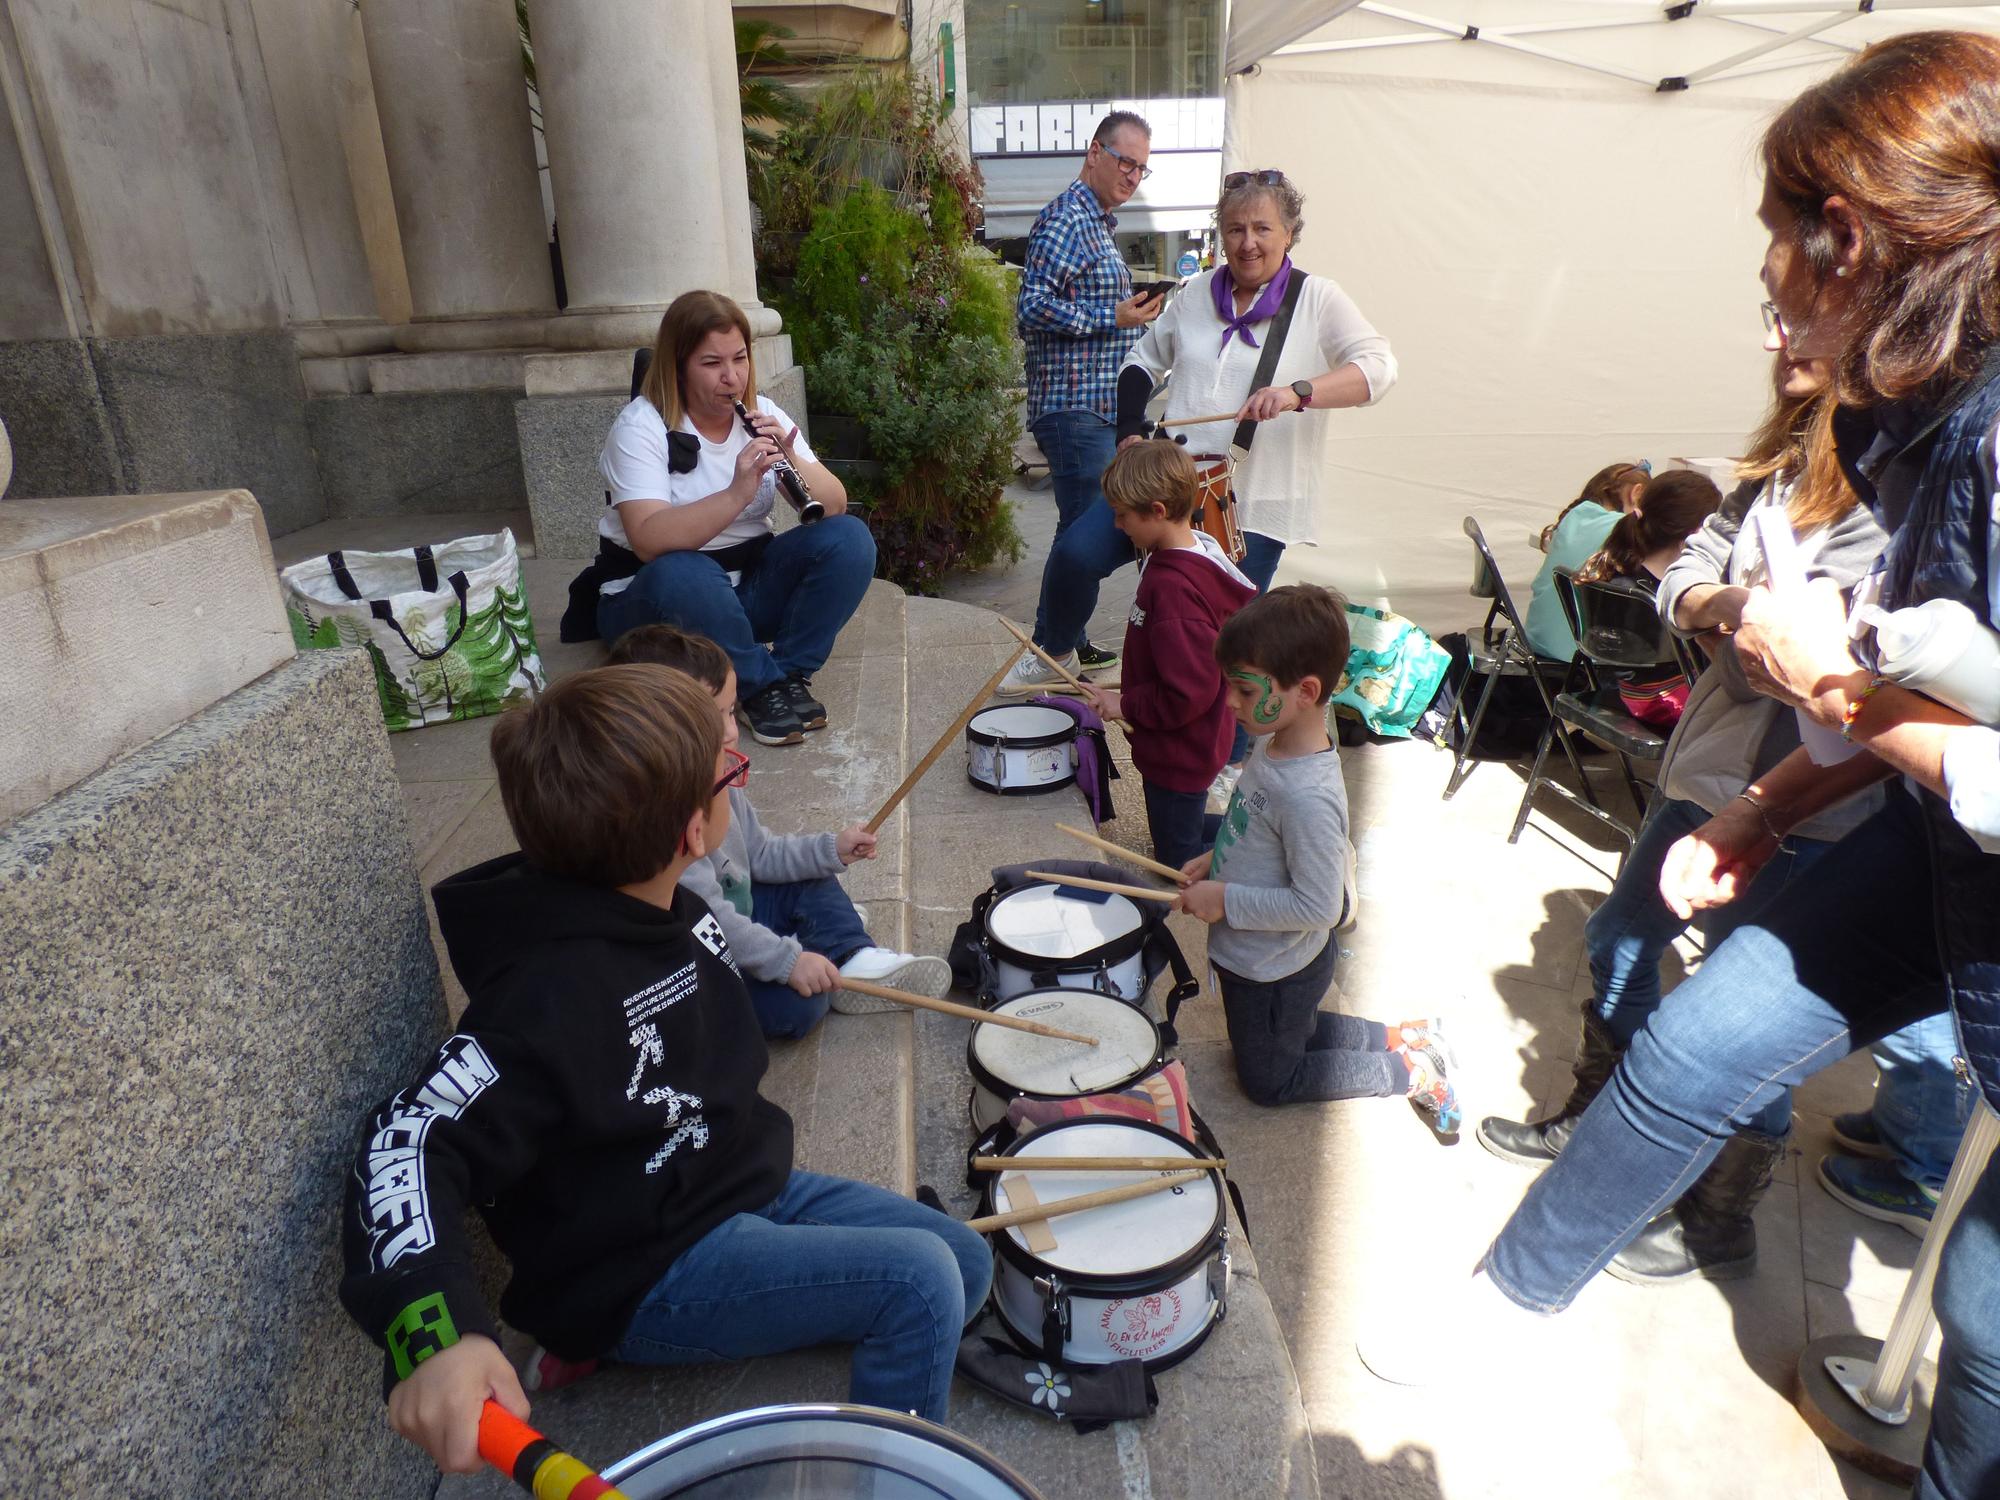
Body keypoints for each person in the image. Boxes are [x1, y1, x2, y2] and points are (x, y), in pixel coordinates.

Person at [1378, 38, 2000, 1499]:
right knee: (1696, 1042)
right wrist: (1771, 798)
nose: (1768, 290)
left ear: (1846, 235)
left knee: (1980, 1320)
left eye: (1776, 242)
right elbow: (1937, 709)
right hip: (1933, 845)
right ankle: (1510, 1297)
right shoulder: (1900, 422)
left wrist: (1820, 685)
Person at [338, 665, 989, 1472]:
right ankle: (899, 1481)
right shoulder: (542, 999)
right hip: (641, 1268)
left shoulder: (678, 911)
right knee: (923, 1283)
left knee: (967, 1262)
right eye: (732, 774)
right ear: (690, 831)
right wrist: (434, 1336)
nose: (738, 774)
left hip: (739, 1186)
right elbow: (402, 1145)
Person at [1476, 347, 1891, 1284]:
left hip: (1807, 808)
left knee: (1744, 1016)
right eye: (1769, 313)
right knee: (1624, 938)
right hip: (1708, 773)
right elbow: (1692, 567)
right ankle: (1599, 1119)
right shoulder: (1786, 462)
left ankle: (1717, 1215)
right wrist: (1723, 600)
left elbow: (1809, 677)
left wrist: (1739, 632)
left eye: (1797, 314)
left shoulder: (1891, 491)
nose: (1777, 337)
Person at [999, 168, 1398, 766]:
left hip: (1256, 500)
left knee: (1234, 644)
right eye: (1235, 228)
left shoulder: (1318, 299)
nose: (1248, 242)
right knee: (1076, 554)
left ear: (1289, 232)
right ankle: (1058, 650)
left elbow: (1378, 370)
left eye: (1263, 227)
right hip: (1167, 487)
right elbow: (1141, 360)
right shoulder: (1195, 295)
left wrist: (1298, 392)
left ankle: (1226, 764)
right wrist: (1131, 430)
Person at [1172, 585, 1458, 1133]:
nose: (1230, 701)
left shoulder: (1307, 795)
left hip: (1275, 967)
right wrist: (1218, 858)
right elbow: (1256, 821)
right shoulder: (1274, 737)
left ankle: (1411, 1074)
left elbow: (1322, 905)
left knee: (1269, 1079)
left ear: (1304, 691)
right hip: (1266, 961)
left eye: (1243, 689)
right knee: (1288, 1032)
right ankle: (1407, 1035)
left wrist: (1226, 900)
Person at [607, 625, 952, 1039]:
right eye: (713, 719)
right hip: (703, 958)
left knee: (812, 878)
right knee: (798, 1007)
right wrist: (786, 962)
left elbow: (763, 853)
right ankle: (816, 943)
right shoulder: (660, 834)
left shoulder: (718, 778)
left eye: (731, 711)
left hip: (739, 911)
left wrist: (831, 849)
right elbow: (713, 924)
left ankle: (854, 955)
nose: (732, 731)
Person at [573, 289, 877, 748]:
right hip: (655, 603)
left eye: (739, 358)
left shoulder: (763, 414)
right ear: (678, 365)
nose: (731, 377)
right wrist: (737, 492)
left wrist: (791, 452)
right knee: (685, 568)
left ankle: (787, 675)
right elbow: (650, 540)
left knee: (850, 540)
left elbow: (834, 503)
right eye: (712, 363)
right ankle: (760, 687)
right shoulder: (641, 427)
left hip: (739, 596)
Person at [1012, 109, 1166, 677]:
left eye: (1142, 169)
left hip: (1096, 406)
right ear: (1093, 153)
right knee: (1089, 533)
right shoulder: (1066, 219)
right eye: (1125, 161)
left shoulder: (1097, 222)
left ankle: (1067, 637)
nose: (1132, 175)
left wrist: (1137, 319)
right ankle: (1048, 650)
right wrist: (1114, 316)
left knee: (1073, 526)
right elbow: (1029, 309)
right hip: (1074, 406)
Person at [1080, 442, 1255, 870]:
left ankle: (1264, 851)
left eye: (1123, 515)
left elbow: (1188, 691)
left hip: (1181, 750)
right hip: (1186, 742)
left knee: (1178, 860)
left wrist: (1124, 703)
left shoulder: (1173, 590)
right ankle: (1257, 837)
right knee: (1180, 831)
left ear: (1157, 511)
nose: (1118, 526)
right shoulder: (1197, 548)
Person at [1571, 468, 1724, 728]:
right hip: (1665, 701)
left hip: (1625, 691)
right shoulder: (1670, 594)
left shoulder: (1617, 566)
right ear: (1699, 531)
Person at [1523, 462, 1650, 661]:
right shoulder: (1622, 526)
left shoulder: (1574, 516)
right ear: (1637, 492)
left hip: (1536, 638)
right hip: (1573, 653)